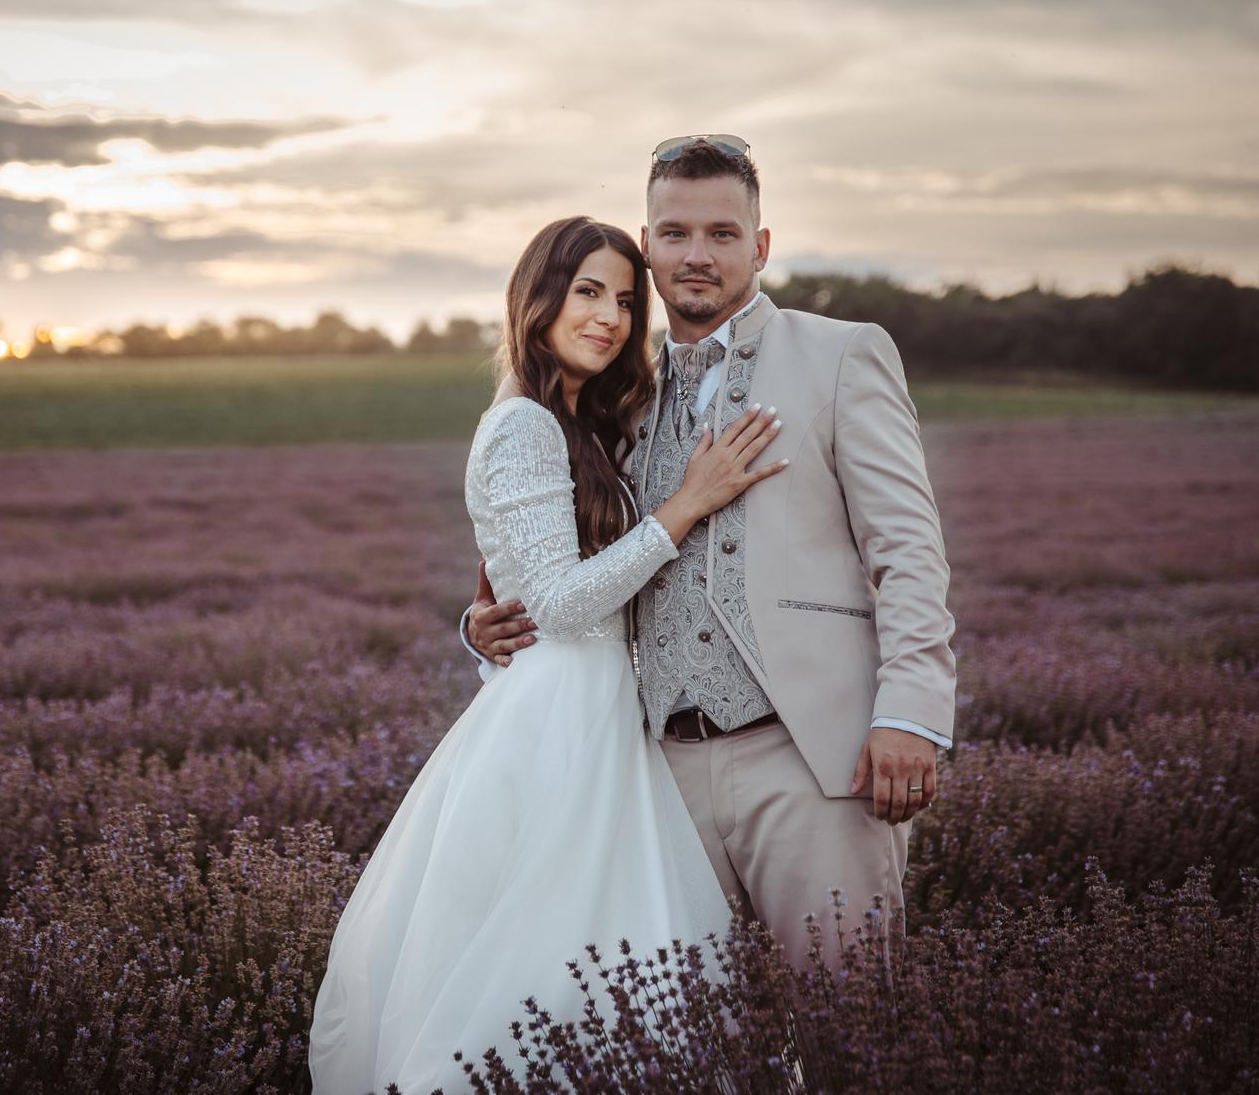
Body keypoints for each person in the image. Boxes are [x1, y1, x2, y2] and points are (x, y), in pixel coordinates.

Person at [309, 215, 787, 1094]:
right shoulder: (525, 425)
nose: (609, 316)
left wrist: (479, 624)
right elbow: (564, 606)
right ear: (538, 301)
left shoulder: (589, 421)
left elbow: (530, 594)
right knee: (552, 960)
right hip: (563, 725)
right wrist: (687, 506)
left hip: (598, 707)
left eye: (623, 298)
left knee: (606, 958)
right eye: (587, 292)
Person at [463, 135, 958, 975]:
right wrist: (482, 624)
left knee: (848, 1026)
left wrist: (909, 713)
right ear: (648, 245)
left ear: (759, 247)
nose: (698, 255)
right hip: (651, 774)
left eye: (723, 234)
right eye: (676, 233)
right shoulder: (618, 391)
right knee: (685, 1040)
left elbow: (908, 549)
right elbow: (553, 554)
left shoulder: (841, 354)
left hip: (808, 759)